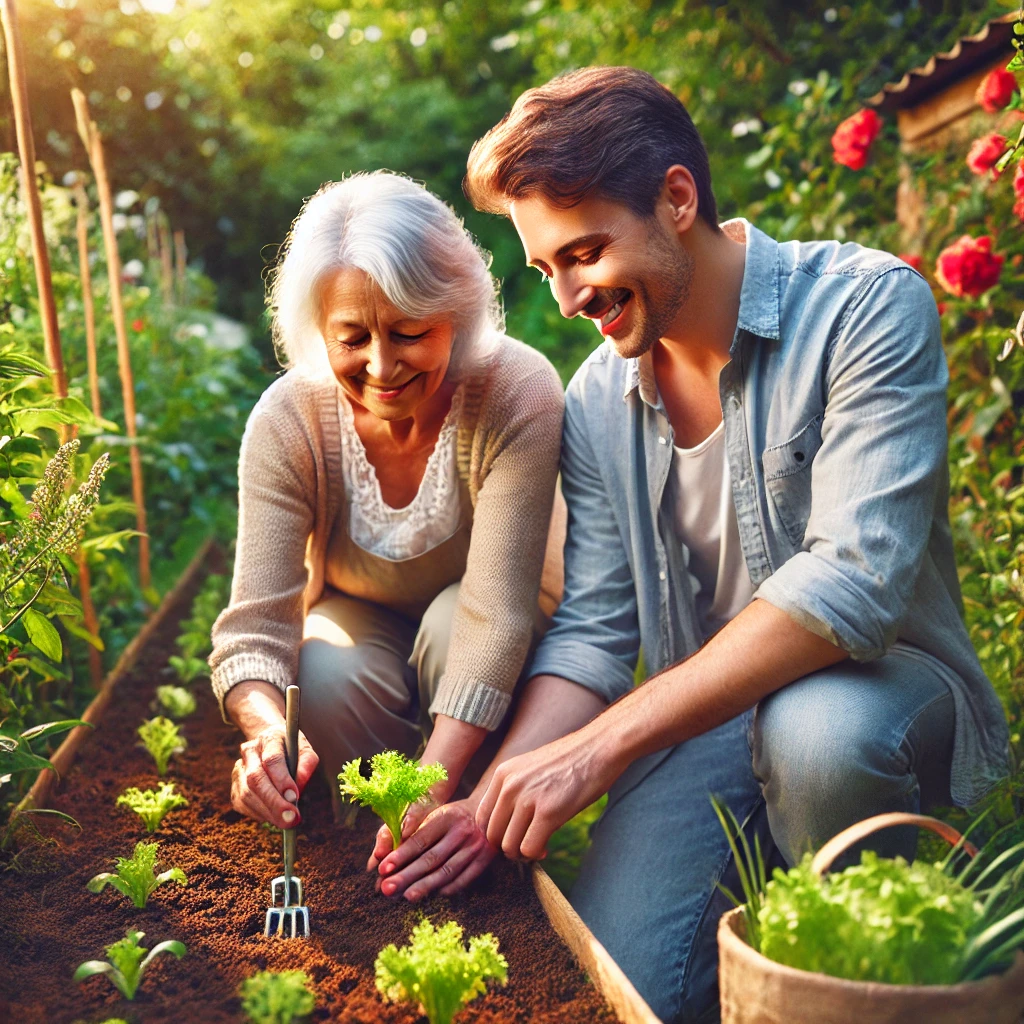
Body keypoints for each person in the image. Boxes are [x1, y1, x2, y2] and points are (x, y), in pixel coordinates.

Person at [372, 68, 1010, 1022]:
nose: (567, 298)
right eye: (546, 269)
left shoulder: (868, 309)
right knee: (624, 988)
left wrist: (600, 750)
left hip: (879, 686)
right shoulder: (595, 397)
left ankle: (856, 970)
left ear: (677, 199)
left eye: (583, 253)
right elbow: (594, 628)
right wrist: (489, 791)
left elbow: (855, 585)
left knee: (818, 738)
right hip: (701, 725)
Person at [209, 171, 565, 899]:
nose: (381, 366)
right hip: (361, 607)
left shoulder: (515, 391)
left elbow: (495, 616)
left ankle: (482, 822)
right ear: (319, 332)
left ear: (457, 314)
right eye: (352, 338)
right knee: (327, 671)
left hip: (495, 614)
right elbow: (253, 627)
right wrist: (265, 729)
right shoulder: (288, 421)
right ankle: (372, 847)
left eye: (409, 332)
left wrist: (432, 783)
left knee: (448, 625)